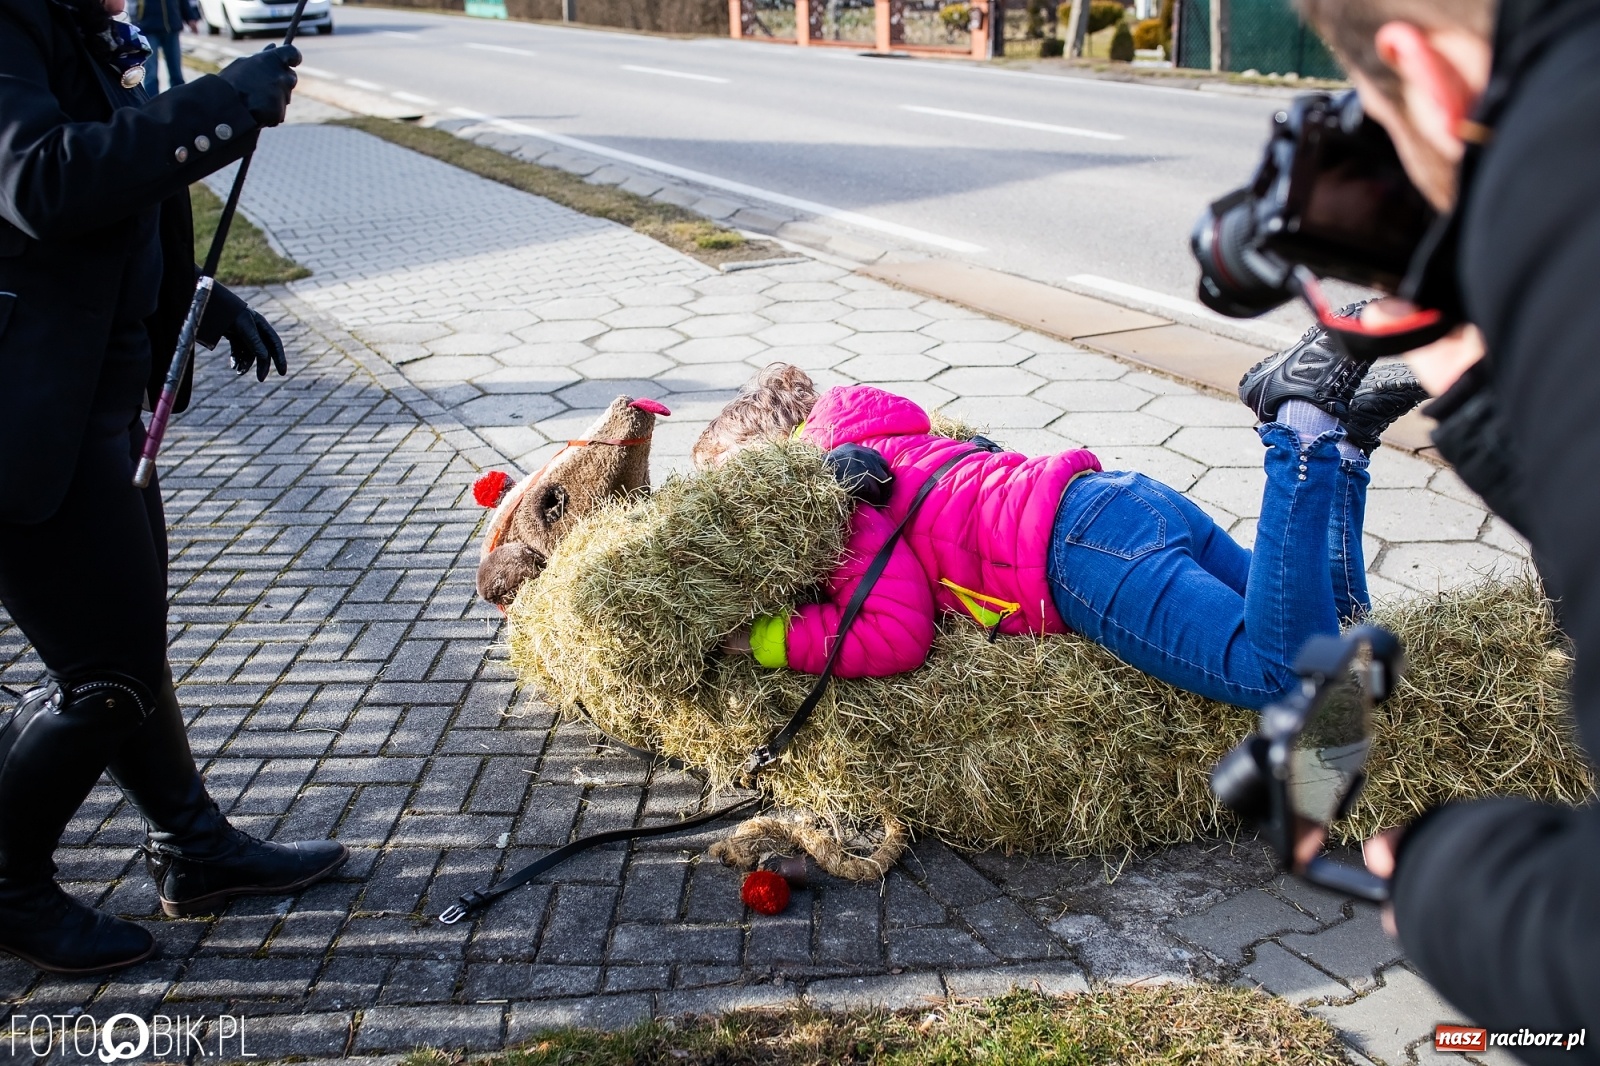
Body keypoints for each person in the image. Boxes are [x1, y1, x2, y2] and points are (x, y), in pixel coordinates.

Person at [0, 0, 345, 976]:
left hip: (95, 405)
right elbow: (42, 181)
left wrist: (195, 293)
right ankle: (10, 882)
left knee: (131, 647)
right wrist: (220, 106)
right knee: (103, 673)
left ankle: (193, 846)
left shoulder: (63, 25)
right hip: (31, 419)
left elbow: (103, 188)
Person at [1293, 0, 1600, 1047]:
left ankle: (1300, 425)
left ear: (1418, 68)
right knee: (1330, 616)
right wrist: (1476, 399)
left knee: (1280, 653)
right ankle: (1320, 429)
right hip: (1085, 520)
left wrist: (1446, 881)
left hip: (1081, 545)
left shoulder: (1560, 186)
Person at [703, 350, 1425, 710]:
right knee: (1334, 634)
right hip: (1123, 498)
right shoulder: (888, 438)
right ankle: (1345, 447)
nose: (734, 509)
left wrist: (763, 638)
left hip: (1079, 559)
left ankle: (1301, 424)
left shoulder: (839, 494)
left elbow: (896, 632)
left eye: (734, 483)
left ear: (776, 456)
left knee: (1283, 676)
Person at [132, 0, 197, 92]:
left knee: (176, 73)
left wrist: (190, 17)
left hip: (172, 28)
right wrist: (135, 24)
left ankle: (179, 101)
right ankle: (153, 104)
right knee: (151, 74)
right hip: (148, 29)